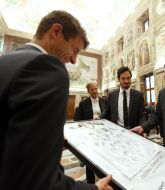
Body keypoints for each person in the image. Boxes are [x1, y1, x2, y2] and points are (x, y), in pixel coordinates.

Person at [0, 10, 112, 190]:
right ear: (55, 32)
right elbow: (38, 181)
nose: (75, 60)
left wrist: (48, 141)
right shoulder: (47, 68)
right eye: (75, 50)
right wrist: (94, 188)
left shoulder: (6, 61)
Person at [74, 82, 107, 184]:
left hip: (103, 134)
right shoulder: (83, 104)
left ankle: (104, 181)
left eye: (96, 89)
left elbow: (108, 115)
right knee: (90, 161)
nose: (94, 91)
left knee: (104, 159)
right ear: (88, 91)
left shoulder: (104, 101)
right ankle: (91, 184)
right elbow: (78, 120)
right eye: (92, 89)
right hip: (89, 135)